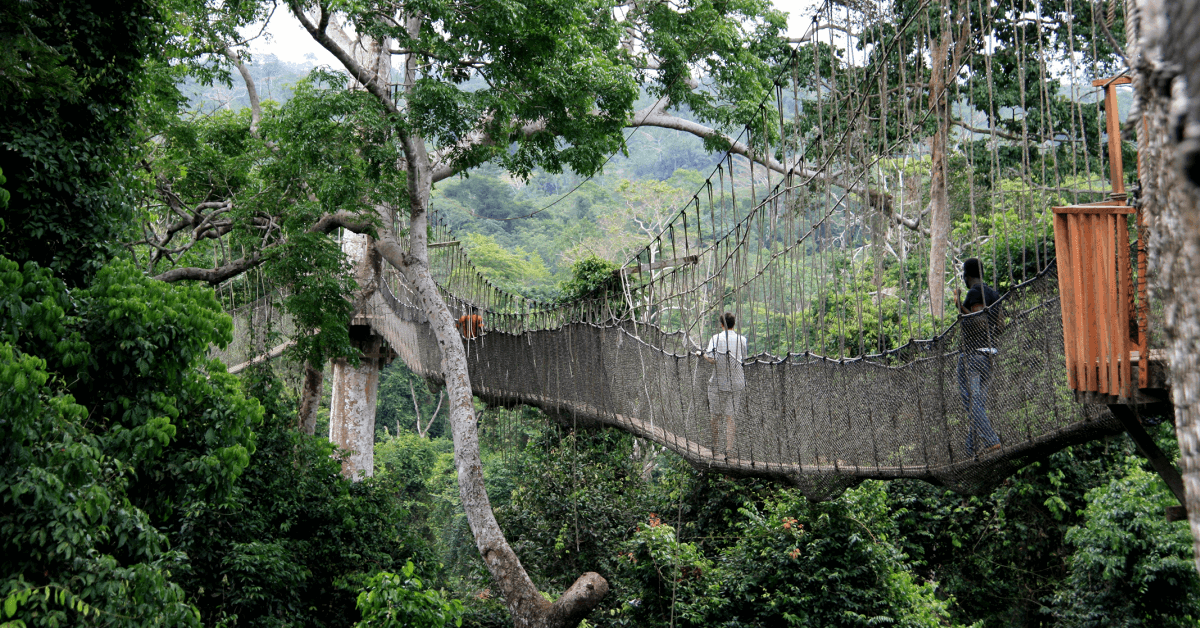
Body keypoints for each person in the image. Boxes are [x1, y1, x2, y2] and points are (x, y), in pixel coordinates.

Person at [954, 258, 1002, 456]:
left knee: (971, 403)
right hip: (989, 356)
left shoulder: (975, 292)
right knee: (978, 405)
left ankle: (991, 441)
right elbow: (1000, 326)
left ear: (967, 276)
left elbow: (979, 321)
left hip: (972, 356)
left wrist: (959, 305)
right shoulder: (994, 294)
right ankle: (972, 449)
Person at [704, 312, 747, 456]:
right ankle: (729, 449)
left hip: (718, 383)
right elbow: (743, 359)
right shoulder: (742, 339)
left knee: (715, 416)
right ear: (734, 324)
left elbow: (712, 359)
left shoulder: (716, 338)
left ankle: (715, 447)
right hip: (737, 382)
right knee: (730, 417)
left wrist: (701, 354)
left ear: (722, 325)